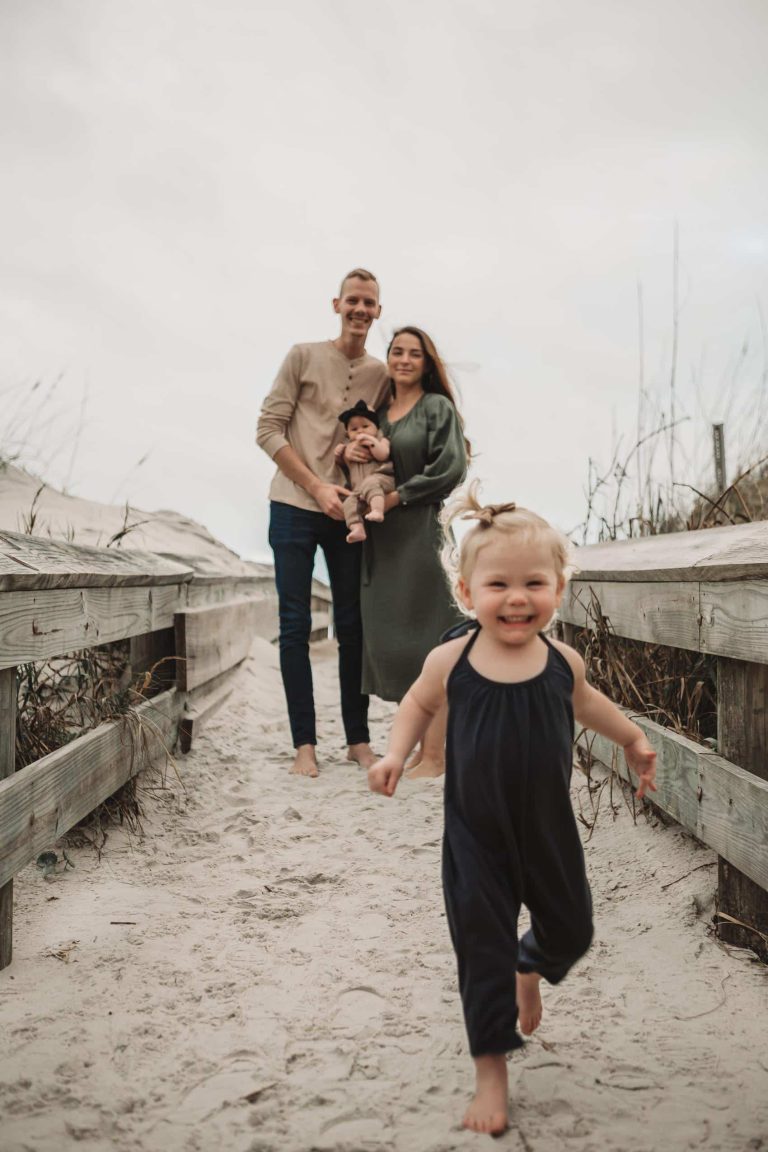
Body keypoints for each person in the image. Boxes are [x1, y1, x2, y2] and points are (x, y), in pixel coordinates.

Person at [368, 484, 658, 1136]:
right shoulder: (454, 659)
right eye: (498, 584)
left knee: (572, 932)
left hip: (548, 830)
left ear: (558, 588)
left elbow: (591, 706)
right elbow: (416, 704)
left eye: (535, 582)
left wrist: (635, 740)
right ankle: (491, 1072)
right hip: (476, 833)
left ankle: (533, 964)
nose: (517, 597)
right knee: (481, 947)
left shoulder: (562, 663)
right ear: (467, 594)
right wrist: (394, 754)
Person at [256, 269, 390, 778]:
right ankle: (304, 747)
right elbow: (267, 429)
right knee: (294, 627)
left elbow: (388, 438)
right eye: (352, 300)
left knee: (353, 626)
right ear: (336, 304)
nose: (360, 309)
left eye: (369, 303)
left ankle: (358, 740)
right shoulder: (302, 356)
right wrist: (315, 486)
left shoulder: (381, 373)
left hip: (351, 513)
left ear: (378, 311)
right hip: (293, 504)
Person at [351, 326, 468, 777]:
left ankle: (435, 756)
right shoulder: (378, 414)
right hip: (381, 542)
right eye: (396, 351)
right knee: (395, 647)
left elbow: (450, 468)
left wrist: (399, 497)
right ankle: (425, 749)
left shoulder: (436, 408)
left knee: (431, 641)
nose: (403, 359)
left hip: (420, 534)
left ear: (426, 362)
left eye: (413, 353)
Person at [335, 399, 395, 544]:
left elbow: (383, 454)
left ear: (376, 426)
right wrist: (339, 454)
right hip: (359, 489)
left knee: (370, 483)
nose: (360, 431)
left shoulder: (381, 439)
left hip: (382, 479)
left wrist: (371, 442)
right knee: (349, 503)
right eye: (354, 429)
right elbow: (342, 464)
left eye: (365, 426)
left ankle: (377, 510)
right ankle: (357, 529)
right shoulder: (348, 445)